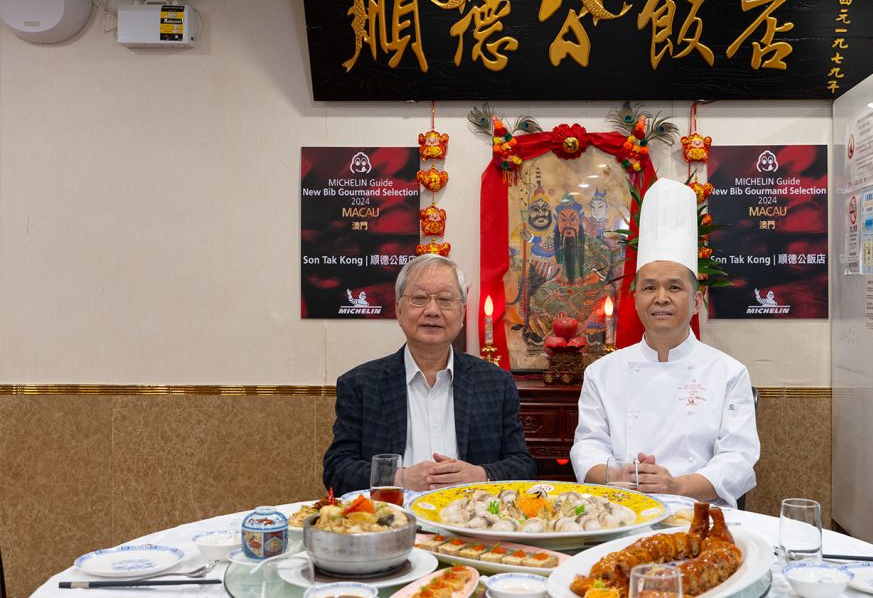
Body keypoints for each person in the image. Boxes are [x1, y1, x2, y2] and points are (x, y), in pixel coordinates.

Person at [570, 178, 760, 507]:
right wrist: (618, 475)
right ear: (636, 298)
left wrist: (675, 486)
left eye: (674, 287)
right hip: (621, 511)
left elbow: (738, 460)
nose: (661, 298)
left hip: (700, 514)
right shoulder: (602, 373)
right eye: (649, 288)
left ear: (697, 300)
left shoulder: (729, 373)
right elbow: (587, 448)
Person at [323, 254, 537, 494]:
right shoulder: (360, 385)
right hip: (394, 521)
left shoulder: (496, 383)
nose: (432, 310)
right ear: (399, 310)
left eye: (445, 299)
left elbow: (523, 466)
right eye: (420, 298)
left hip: (469, 522)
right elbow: (337, 470)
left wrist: (481, 475)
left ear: (462, 313)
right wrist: (398, 478)